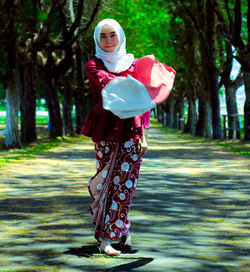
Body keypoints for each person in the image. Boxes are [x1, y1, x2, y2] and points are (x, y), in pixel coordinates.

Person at [81, 18, 175, 256]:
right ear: (97, 39)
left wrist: (144, 134)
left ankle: (107, 238)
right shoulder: (94, 65)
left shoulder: (134, 65)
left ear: (120, 36)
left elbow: (143, 103)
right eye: (103, 36)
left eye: (112, 35)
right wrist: (135, 84)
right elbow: (110, 85)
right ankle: (120, 230)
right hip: (105, 130)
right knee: (106, 183)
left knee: (125, 184)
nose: (109, 40)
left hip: (132, 131)